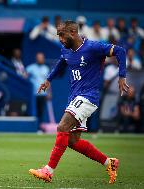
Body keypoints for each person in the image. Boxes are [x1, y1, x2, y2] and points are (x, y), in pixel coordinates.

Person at [29, 20, 129, 184]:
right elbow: (61, 64)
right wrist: (48, 80)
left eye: (62, 35)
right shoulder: (66, 50)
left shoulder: (93, 47)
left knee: (62, 127)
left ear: (73, 33)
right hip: (75, 97)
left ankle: (48, 171)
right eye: (58, 35)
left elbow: (120, 51)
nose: (60, 39)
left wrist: (122, 76)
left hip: (88, 96)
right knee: (72, 141)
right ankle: (109, 162)